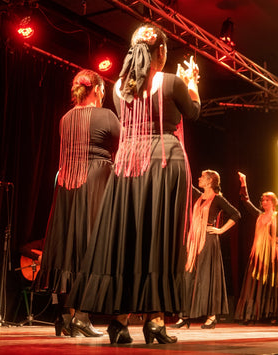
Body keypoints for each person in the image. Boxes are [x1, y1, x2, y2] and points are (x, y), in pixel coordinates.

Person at [66, 24, 201, 345]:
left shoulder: (117, 89)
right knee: (160, 240)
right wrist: (193, 84)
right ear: (162, 53)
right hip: (164, 160)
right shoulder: (172, 82)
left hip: (128, 163)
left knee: (128, 240)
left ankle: (119, 321)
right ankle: (155, 320)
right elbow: (193, 113)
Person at [34, 69, 120, 337]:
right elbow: (124, 144)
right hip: (95, 180)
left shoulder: (65, 118)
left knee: (69, 245)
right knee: (92, 245)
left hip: (68, 183)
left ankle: (65, 316)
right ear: (96, 89)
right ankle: (82, 314)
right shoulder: (106, 115)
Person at [171, 170, 240, 329]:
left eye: (202, 176)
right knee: (188, 276)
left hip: (208, 240)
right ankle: (185, 316)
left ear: (210, 181)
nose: (199, 178)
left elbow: (236, 214)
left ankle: (211, 316)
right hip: (193, 240)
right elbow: (186, 182)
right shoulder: (198, 196)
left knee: (206, 276)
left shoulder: (218, 199)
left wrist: (220, 230)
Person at [233, 172, 278, 325]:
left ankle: (270, 313)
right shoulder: (259, 215)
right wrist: (244, 183)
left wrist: (276, 243)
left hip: (271, 254)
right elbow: (246, 202)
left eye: (267, 200)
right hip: (258, 254)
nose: (264, 202)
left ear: (274, 202)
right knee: (253, 283)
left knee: (269, 284)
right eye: (263, 200)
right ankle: (250, 314)